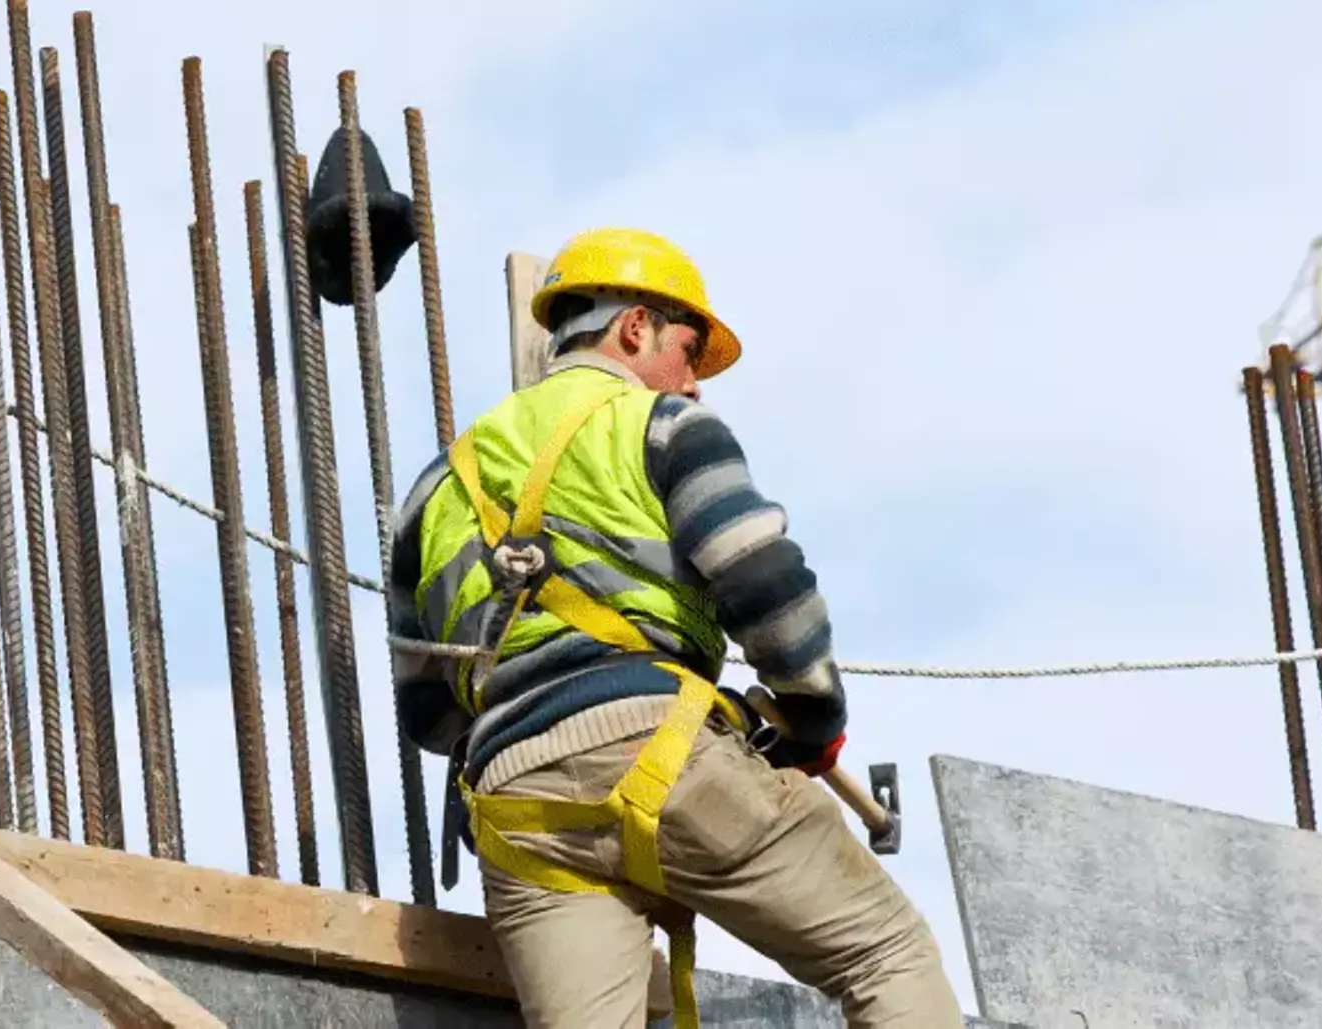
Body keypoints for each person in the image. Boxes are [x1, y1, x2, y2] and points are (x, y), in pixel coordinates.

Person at [385, 227, 960, 1027]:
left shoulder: (431, 490)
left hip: (520, 812)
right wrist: (812, 717)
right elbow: (765, 583)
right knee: (888, 953)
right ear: (633, 329)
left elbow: (428, 712)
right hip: (659, 748)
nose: (695, 384)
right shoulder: (664, 426)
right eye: (690, 352)